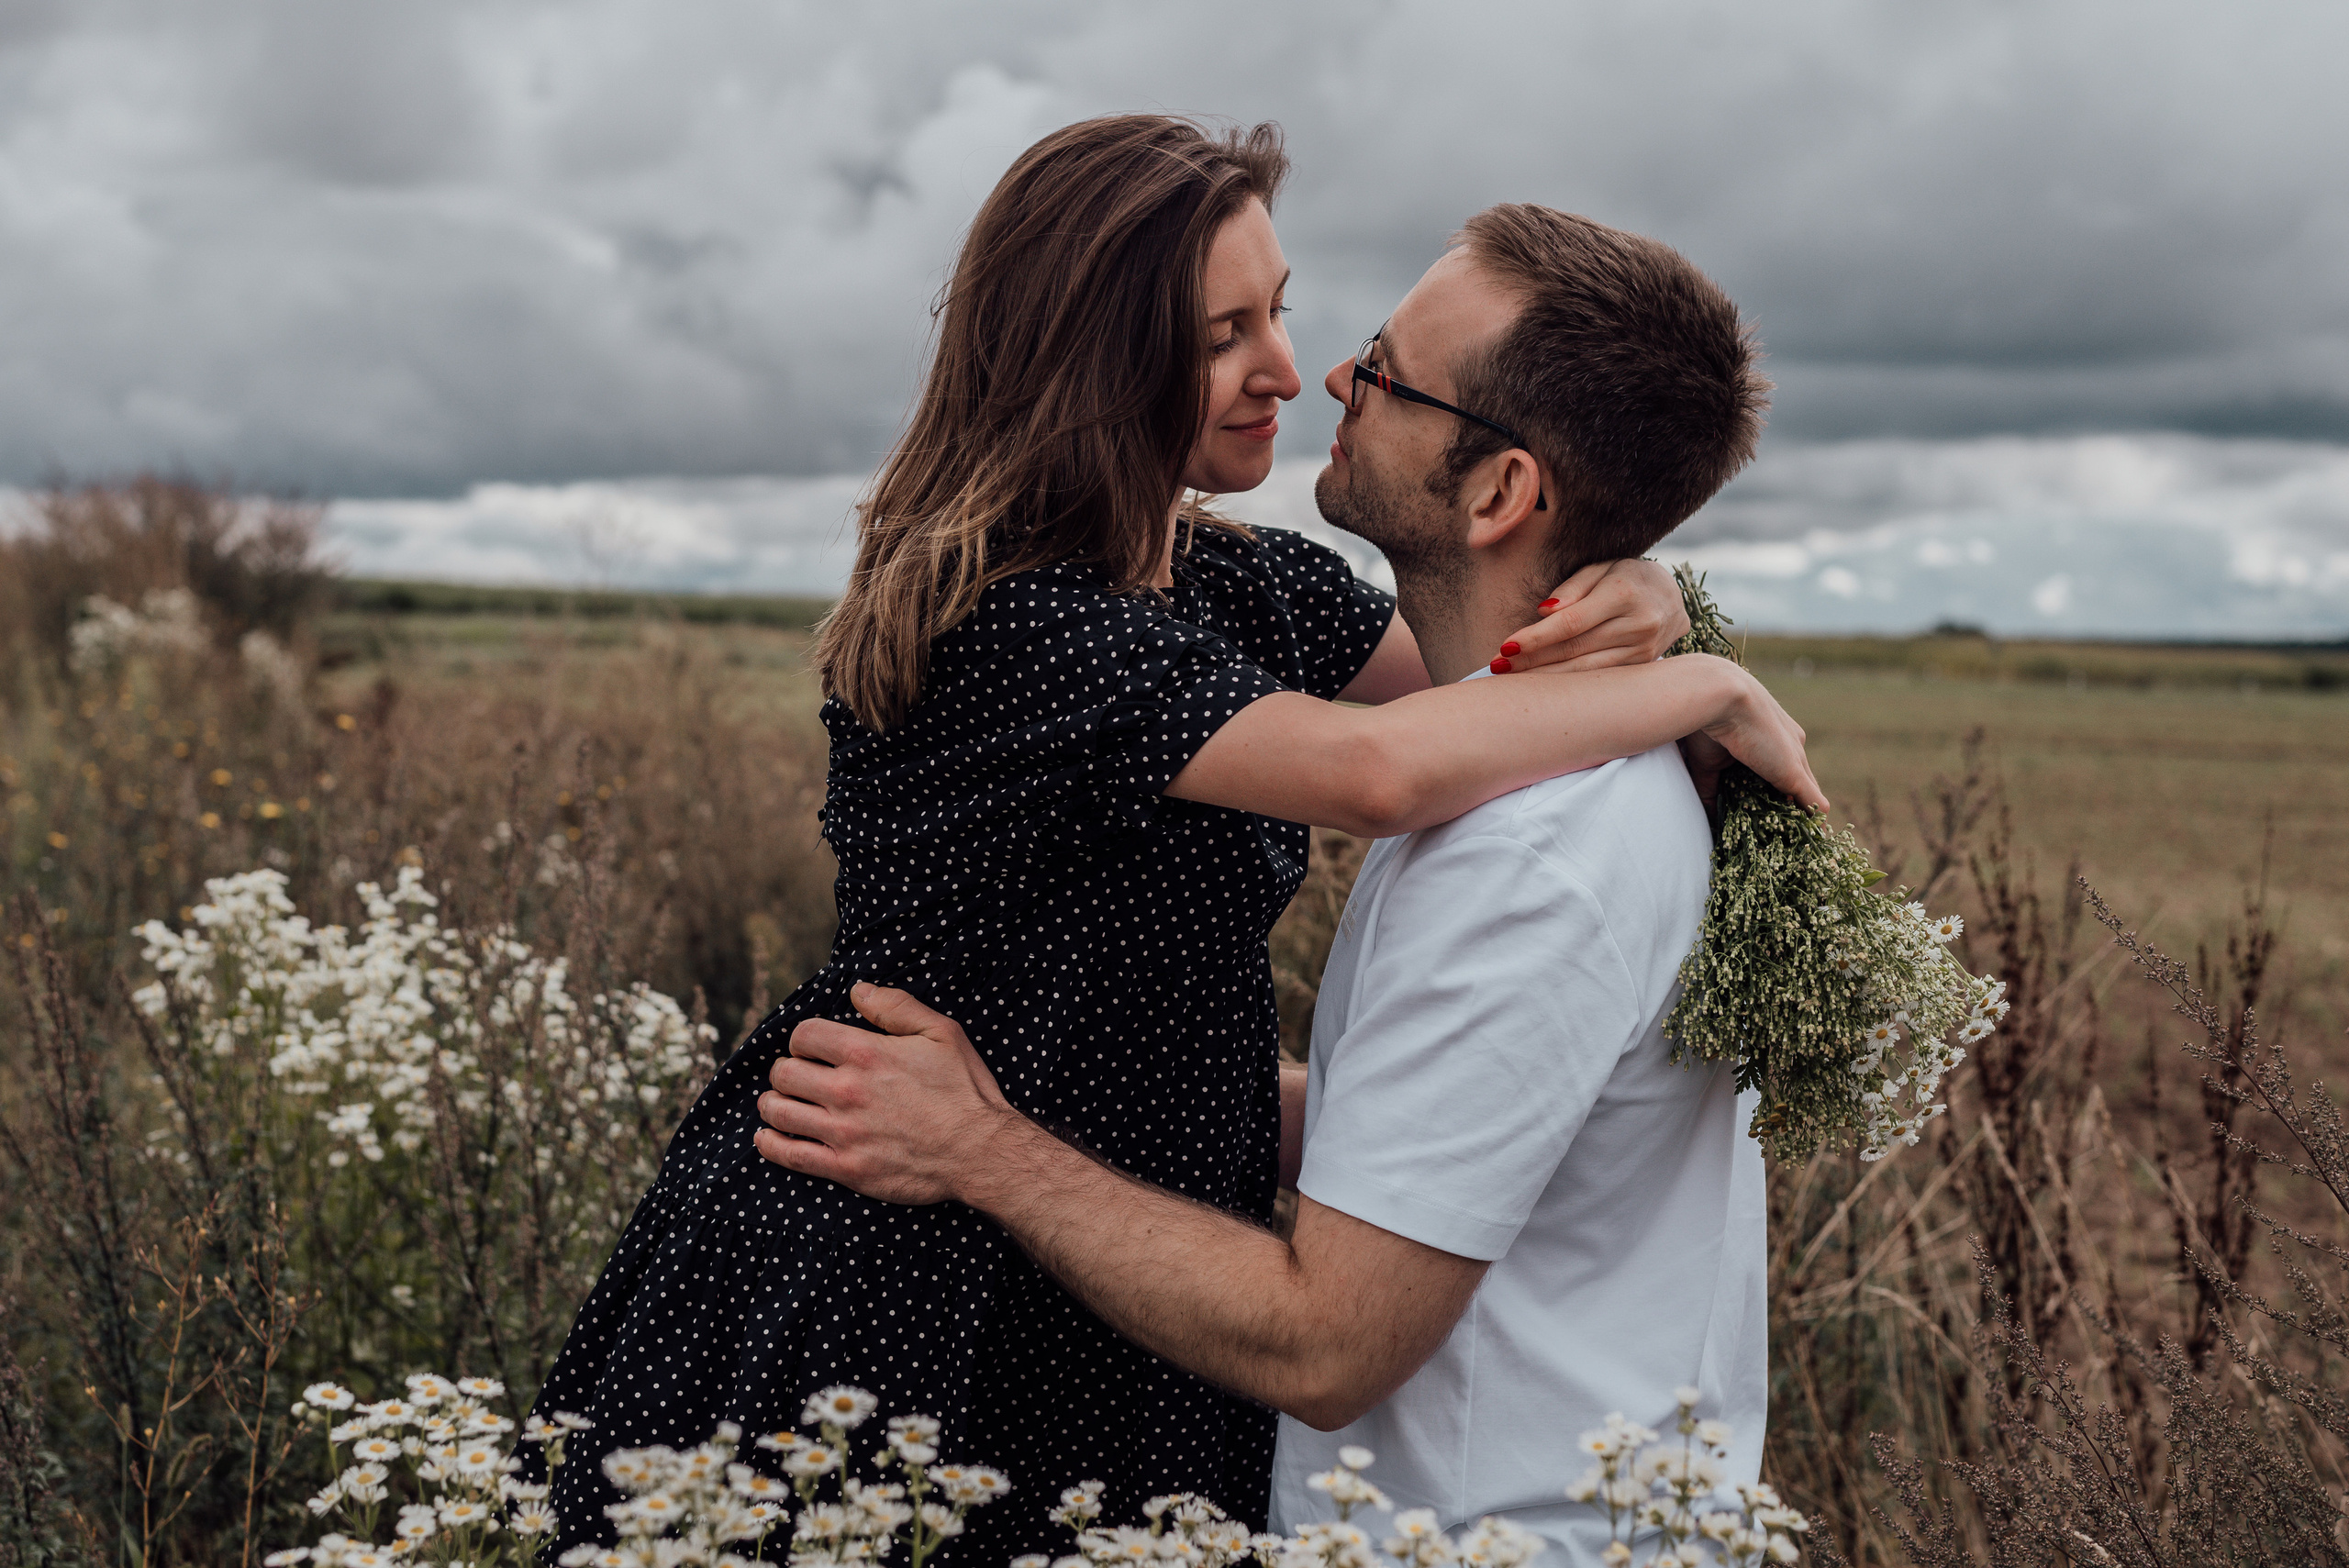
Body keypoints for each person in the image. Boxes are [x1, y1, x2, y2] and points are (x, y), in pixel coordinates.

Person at [533, 114, 1816, 1559]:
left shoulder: (1239, 583)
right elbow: (1385, 767)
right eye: (1226, 335)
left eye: (1280, 308)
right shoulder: (1015, 621)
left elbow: (1484, 680)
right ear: (1092, 364)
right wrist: (1698, 680)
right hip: (913, 1251)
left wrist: (1630, 591)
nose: (1293, 366)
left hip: (1094, 1231)